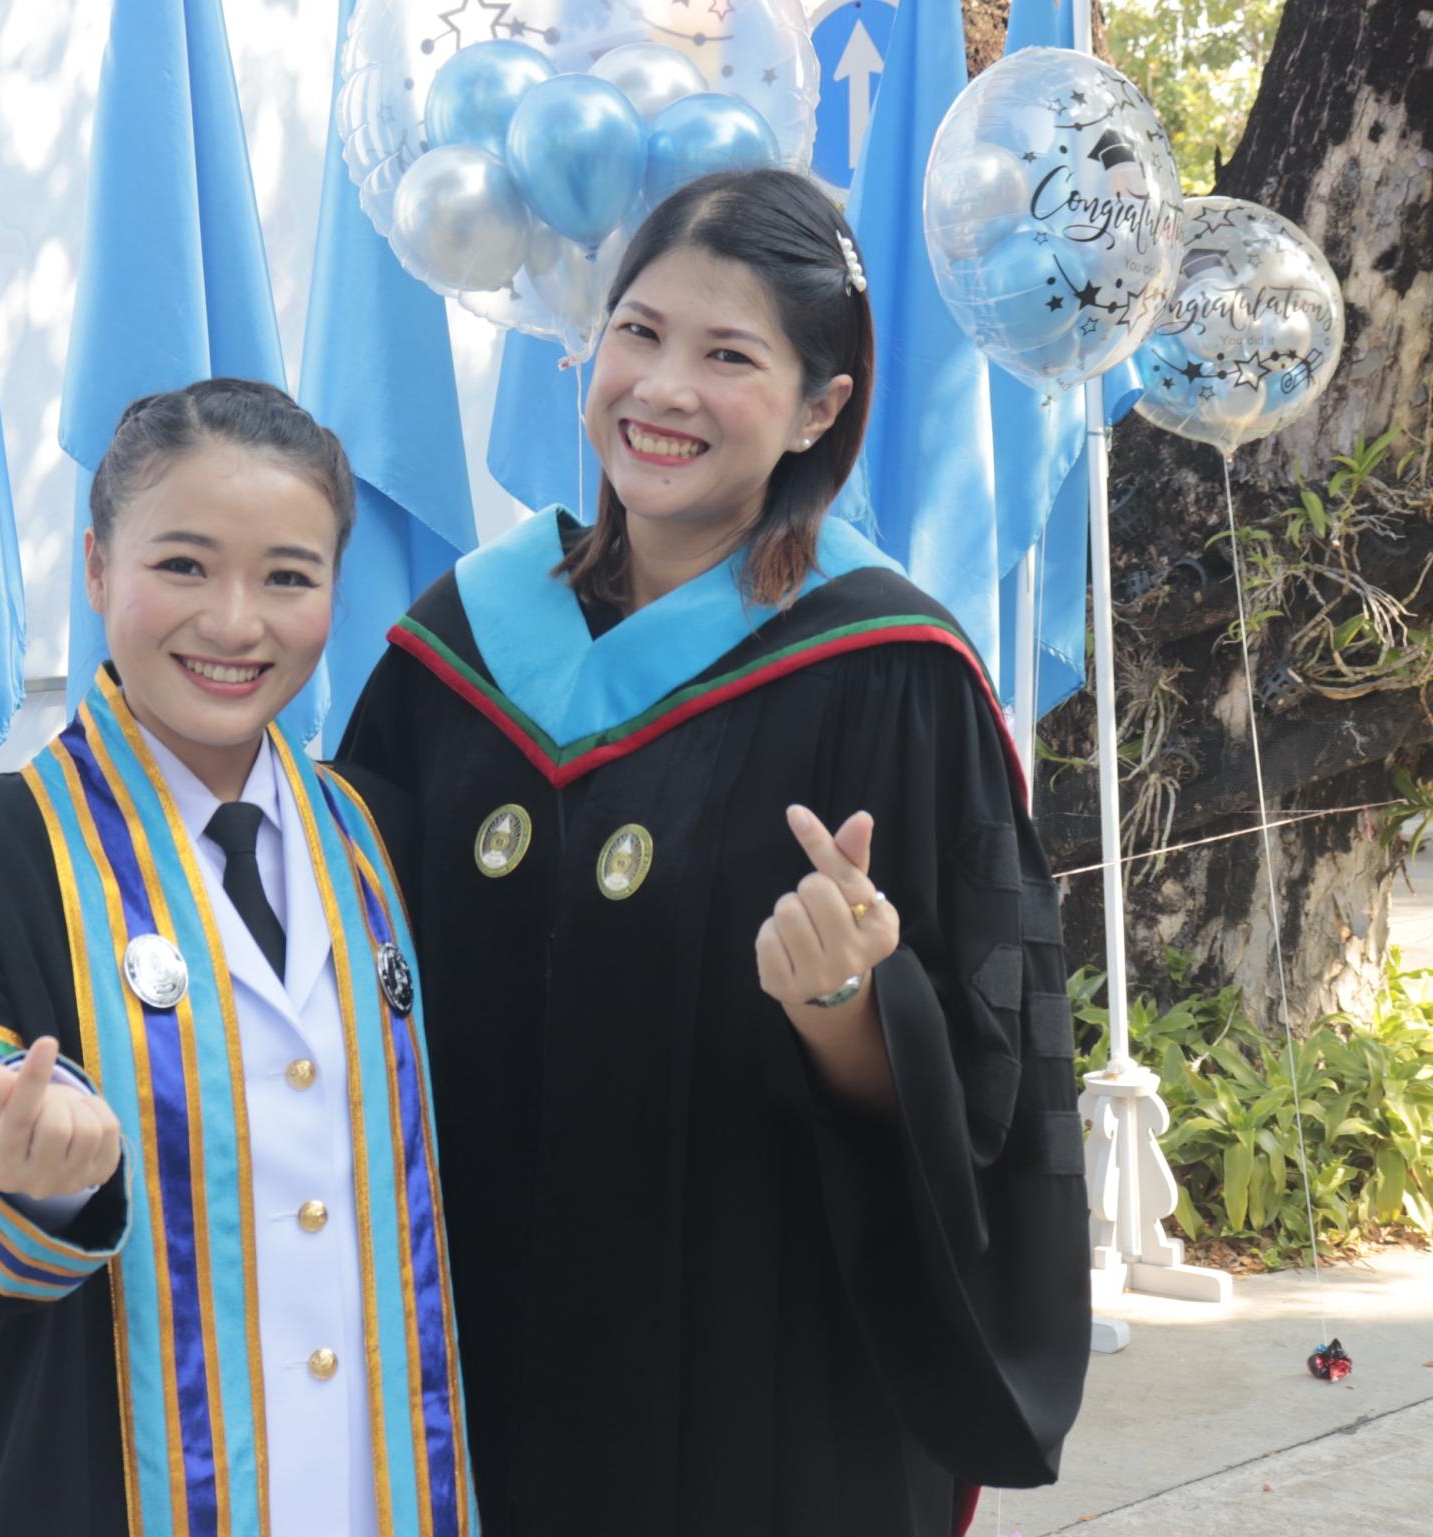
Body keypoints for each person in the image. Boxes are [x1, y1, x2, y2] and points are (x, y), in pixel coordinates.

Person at [339, 169, 1090, 1536]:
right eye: (639, 331)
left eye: (728, 354)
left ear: (821, 406)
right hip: (468, 1361)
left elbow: (988, 1096)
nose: (663, 388)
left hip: (761, 1388)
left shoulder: (890, 675)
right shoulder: (456, 646)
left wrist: (852, 1004)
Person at [0, 379, 475, 1536]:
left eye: (287, 576)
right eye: (183, 566)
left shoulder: (384, 837)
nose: (235, 622)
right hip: (98, 1491)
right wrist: (7, 1170)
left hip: (378, 1486)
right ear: (96, 567)